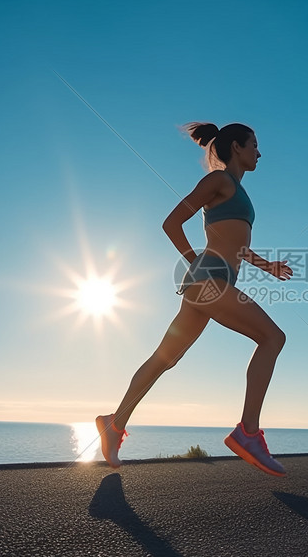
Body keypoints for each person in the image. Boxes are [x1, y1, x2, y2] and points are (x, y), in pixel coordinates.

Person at [96, 122, 293, 477]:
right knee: (272, 338)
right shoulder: (218, 181)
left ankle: (114, 423)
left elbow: (239, 246)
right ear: (236, 147)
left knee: (165, 358)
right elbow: (171, 222)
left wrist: (268, 267)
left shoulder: (238, 193)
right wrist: (196, 261)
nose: (259, 153)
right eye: (254, 145)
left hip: (207, 284)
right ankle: (247, 432)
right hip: (209, 281)